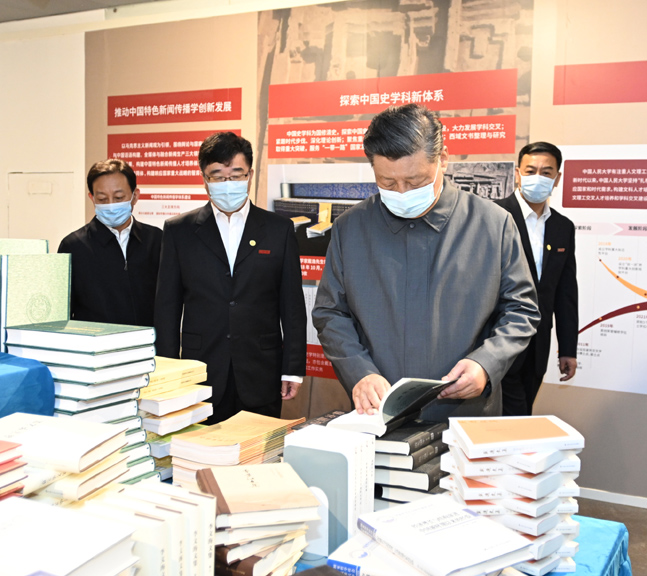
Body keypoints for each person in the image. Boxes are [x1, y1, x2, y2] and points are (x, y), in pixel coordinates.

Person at [312, 104, 540, 420]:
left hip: (465, 416)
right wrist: (359, 371)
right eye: (387, 183)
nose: (402, 192)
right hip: (378, 414)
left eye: (416, 180)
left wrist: (486, 363)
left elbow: (521, 309)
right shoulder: (351, 228)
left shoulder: (492, 224)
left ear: (442, 159)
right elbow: (330, 312)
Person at [154, 132, 307, 423]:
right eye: (217, 176)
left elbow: (292, 305)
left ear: (250, 175)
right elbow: (167, 308)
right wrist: (168, 373)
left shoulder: (279, 229)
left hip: (262, 370)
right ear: (204, 178)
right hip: (200, 372)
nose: (228, 184)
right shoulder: (179, 231)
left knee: (259, 447)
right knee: (200, 448)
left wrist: (293, 368)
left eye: (236, 175)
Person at [495, 141, 578, 415]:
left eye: (546, 172)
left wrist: (568, 349)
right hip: (497, 339)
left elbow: (565, 292)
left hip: (538, 343)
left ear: (557, 178)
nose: (537, 178)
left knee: (523, 412)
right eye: (531, 171)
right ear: (518, 173)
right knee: (510, 417)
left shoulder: (563, 227)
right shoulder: (494, 215)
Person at [58, 159, 162, 326]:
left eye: (119, 197)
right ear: (92, 198)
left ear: (135, 196)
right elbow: (63, 310)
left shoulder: (156, 240)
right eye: (102, 199)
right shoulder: (74, 245)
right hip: (94, 340)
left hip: (148, 339)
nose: (111, 205)